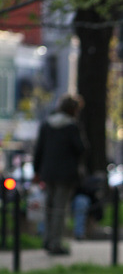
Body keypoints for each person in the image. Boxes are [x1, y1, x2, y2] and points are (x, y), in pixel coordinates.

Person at [33, 93, 86, 255]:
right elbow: (81, 148)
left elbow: (39, 150)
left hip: (48, 173)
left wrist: (37, 171)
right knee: (59, 209)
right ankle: (55, 243)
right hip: (65, 174)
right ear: (73, 110)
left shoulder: (46, 125)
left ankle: (47, 240)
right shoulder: (72, 126)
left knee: (49, 207)